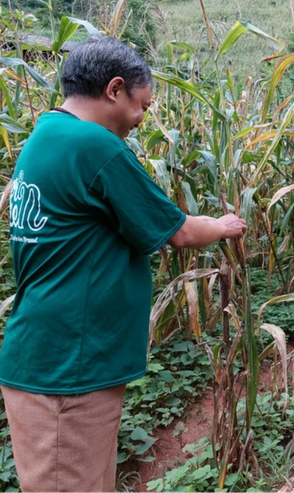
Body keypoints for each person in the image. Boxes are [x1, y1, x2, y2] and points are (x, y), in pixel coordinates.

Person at [0, 36, 246, 493]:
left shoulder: (46, 135)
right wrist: (226, 224)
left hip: (52, 360)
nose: (140, 120)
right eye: (143, 106)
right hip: (66, 370)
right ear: (115, 89)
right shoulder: (94, 145)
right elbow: (181, 232)